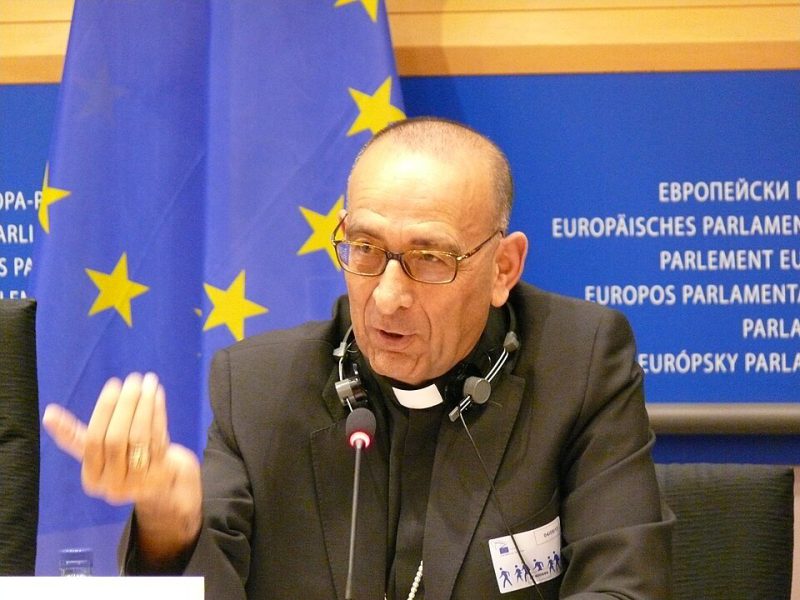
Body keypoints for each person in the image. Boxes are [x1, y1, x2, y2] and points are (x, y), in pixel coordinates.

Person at [43, 117, 673, 599]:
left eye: (430, 258)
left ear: (502, 267)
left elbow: (625, 585)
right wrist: (167, 524)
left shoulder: (580, 363)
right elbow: (211, 570)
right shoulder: (259, 388)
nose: (389, 297)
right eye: (365, 248)